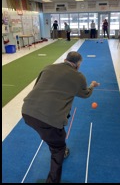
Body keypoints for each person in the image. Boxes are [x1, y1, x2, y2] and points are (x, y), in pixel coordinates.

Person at [21, 51, 100, 183]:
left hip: (27, 112)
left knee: (54, 135)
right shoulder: (78, 76)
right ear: (78, 65)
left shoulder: (48, 67)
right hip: (49, 119)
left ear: (65, 59)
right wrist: (92, 86)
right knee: (58, 149)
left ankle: (56, 143)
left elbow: (36, 87)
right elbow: (85, 94)